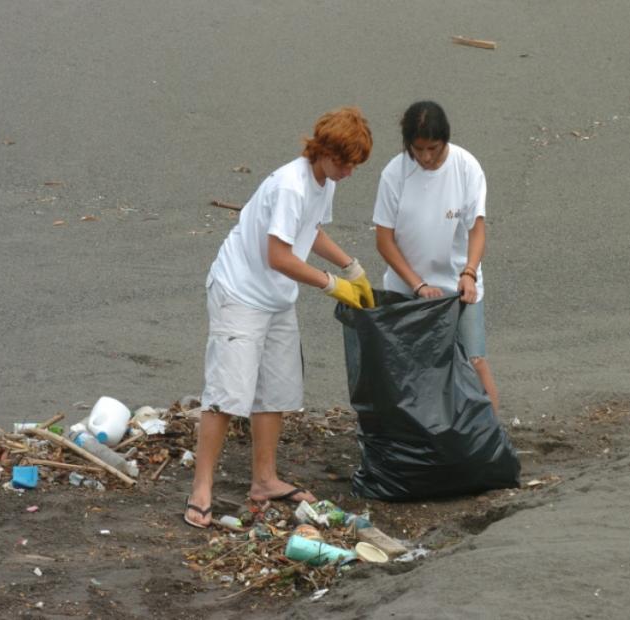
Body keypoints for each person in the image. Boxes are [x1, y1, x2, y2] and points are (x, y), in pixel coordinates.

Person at [184, 106, 375, 528]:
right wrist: (331, 284)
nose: (348, 171)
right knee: (227, 391)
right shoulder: (291, 184)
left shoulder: (323, 180)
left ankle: (265, 480)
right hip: (240, 291)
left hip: (276, 297)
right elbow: (279, 255)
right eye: (344, 162)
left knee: (275, 387)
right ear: (323, 151)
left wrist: (351, 266)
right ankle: (201, 489)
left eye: (354, 165)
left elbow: (311, 231)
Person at [372, 100, 500, 415]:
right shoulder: (394, 173)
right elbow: (384, 240)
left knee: (474, 359)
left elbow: (477, 230)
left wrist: (469, 273)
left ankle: (493, 434)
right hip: (406, 285)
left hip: (459, 283)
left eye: (434, 149)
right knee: (408, 365)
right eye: (419, 150)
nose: (426, 157)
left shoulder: (466, 167)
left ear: (445, 141)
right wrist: (417, 285)